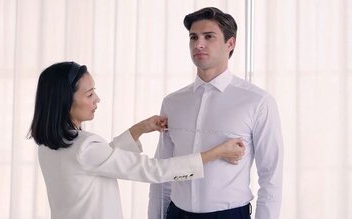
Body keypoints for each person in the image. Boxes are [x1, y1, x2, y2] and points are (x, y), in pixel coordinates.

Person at [28, 61, 245, 219]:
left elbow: (100, 162)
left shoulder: (49, 145)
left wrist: (140, 129)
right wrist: (217, 153)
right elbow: (154, 170)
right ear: (66, 99)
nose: (97, 99)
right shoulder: (85, 146)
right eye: (90, 94)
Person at [148, 7, 283, 219]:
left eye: (208, 36)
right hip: (176, 214)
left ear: (230, 44)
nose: (198, 44)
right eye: (193, 37)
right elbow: (163, 172)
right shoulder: (172, 102)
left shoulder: (258, 102)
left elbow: (271, 176)